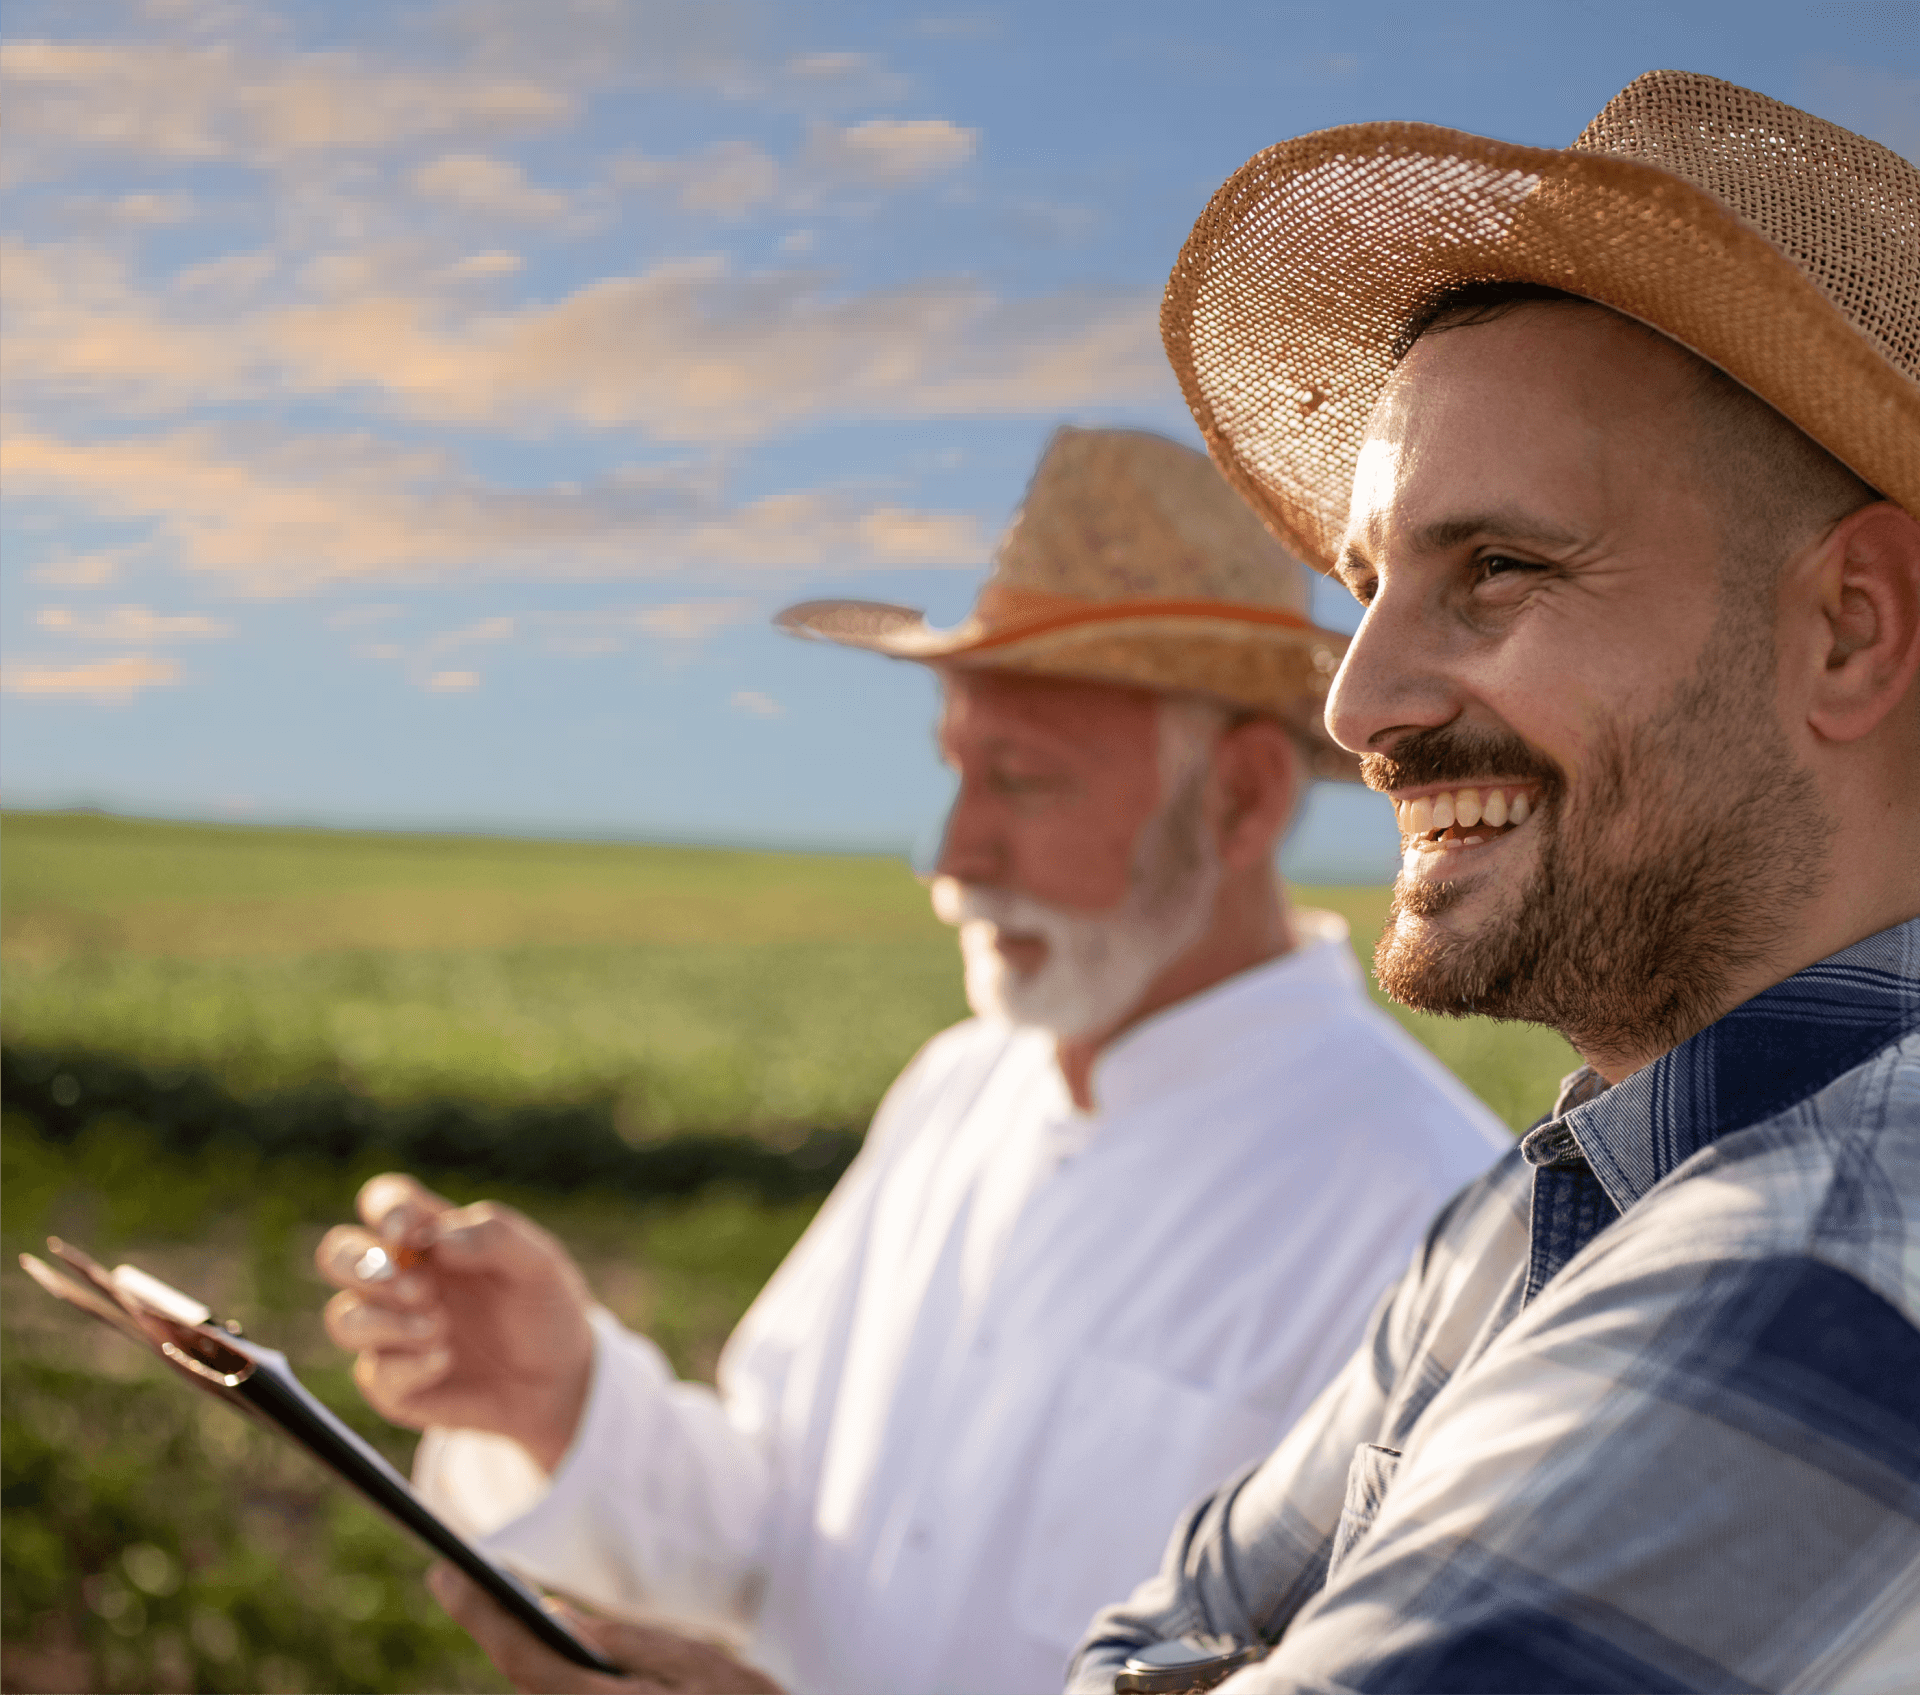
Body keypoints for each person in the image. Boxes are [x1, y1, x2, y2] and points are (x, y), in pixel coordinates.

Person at [315, 426, 1509, 1695]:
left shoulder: (1430, 1222)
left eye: (1024, 782)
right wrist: (559, 1399)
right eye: (957, 773)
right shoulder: (958, 1087)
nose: (952, 856)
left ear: (1242, 801)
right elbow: (776, 1521)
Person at [1066, 70, 1920, 1693]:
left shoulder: (1825, 1261)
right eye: (1371, 584)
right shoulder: (1579, 1182)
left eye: (1502, 571)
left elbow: (1149, 1648)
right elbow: (1151, 1626)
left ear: (1851, 627)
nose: (1355, 705)